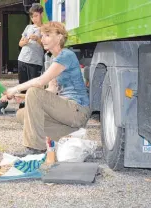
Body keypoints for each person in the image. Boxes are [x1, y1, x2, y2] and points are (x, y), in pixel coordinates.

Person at [5, 21, 91, 155]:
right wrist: (25, 97)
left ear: (59, 37)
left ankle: (36, 148)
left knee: (33, 92)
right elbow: (51, 91)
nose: (42, 38)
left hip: (78, 110)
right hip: (66, 112)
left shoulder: (66, 55)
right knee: (22, 114)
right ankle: (70, 134)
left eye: (47, 35)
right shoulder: (53, 59)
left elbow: (40, 81)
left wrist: (15, 89)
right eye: (42, 35)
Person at [17, 3, 45, 108]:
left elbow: (46, 47)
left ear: (41, 15)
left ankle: (33, 107)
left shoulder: (45, 28)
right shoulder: (28, 27)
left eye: (36, 16)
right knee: (22, 84)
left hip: (35, 62)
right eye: (32, 16)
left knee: (33, 86)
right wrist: (25, 41)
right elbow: (20, 43)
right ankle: (22, 107)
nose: (34, 19)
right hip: (22, 59)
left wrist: (37, 39)